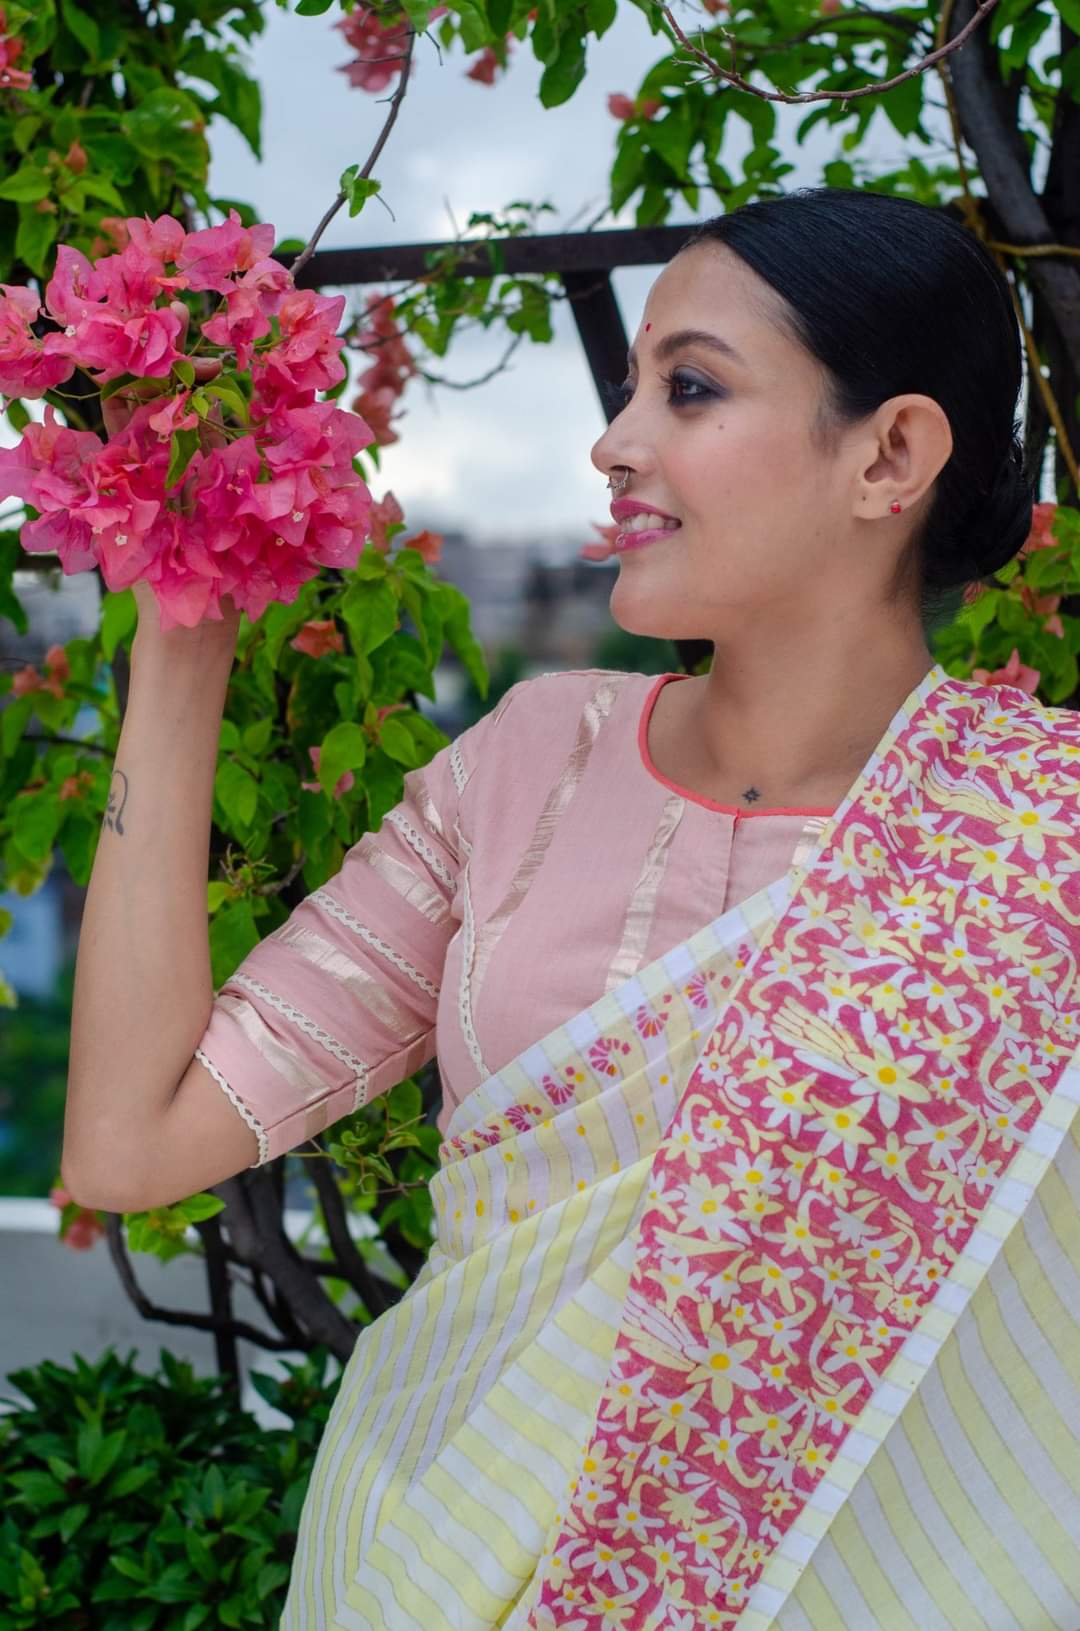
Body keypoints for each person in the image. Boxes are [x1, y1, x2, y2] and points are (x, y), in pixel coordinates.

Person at [62, 187, 1080, 1631]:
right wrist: (183, 641)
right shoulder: (530, 766)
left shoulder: (1041, 839)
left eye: (691, 387)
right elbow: (129, 1143)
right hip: (422, 1563)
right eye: (630, 386)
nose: (615, 441)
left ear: (891, 455)